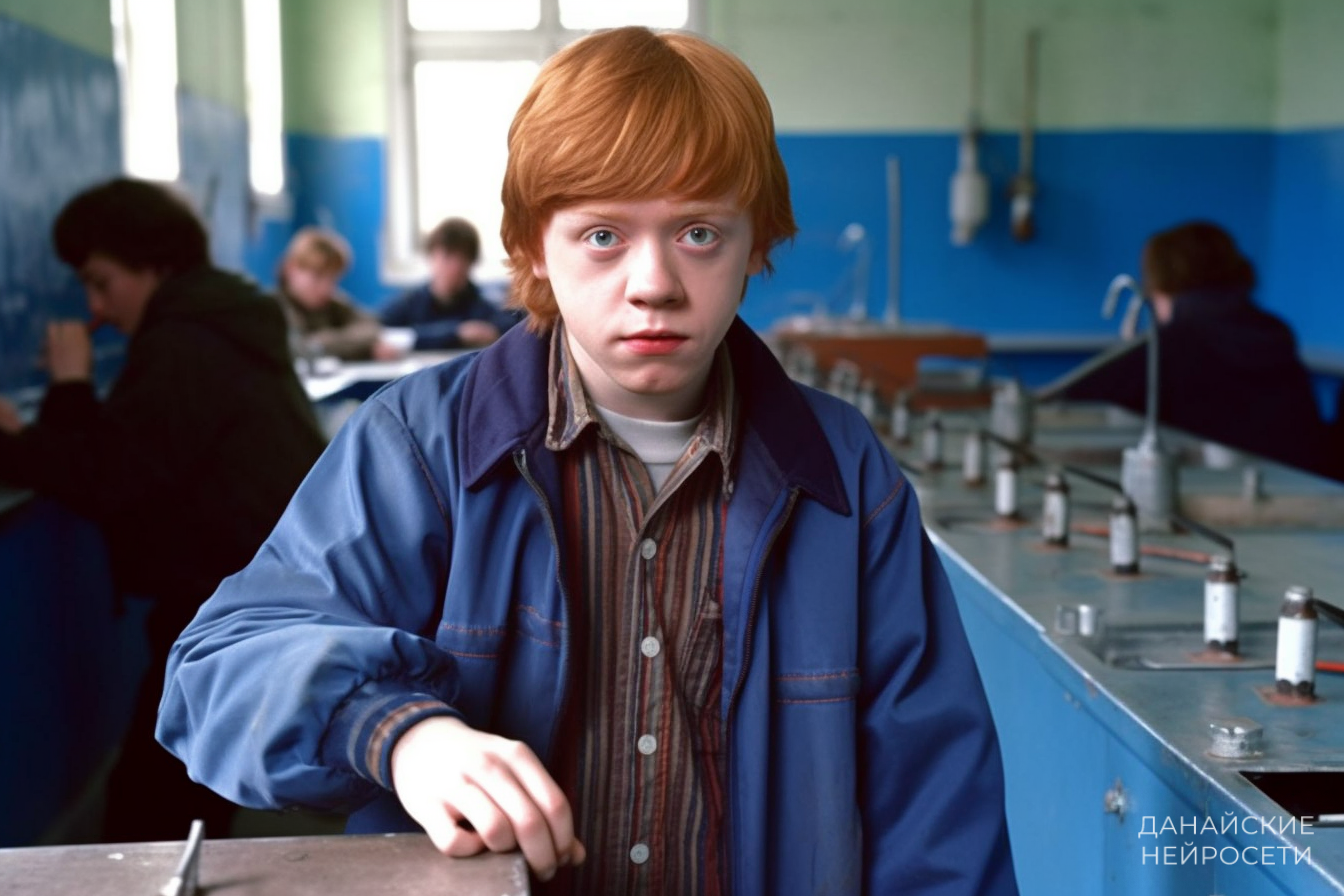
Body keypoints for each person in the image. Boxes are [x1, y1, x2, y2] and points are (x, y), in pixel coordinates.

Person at [158, 27, 1017, 895]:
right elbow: (220, 668)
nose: (654, 283)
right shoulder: (421, 445)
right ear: (534, 245)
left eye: (699, 233)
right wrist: (403, 736)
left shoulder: (845, 477)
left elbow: (938, 812)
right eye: (602, 234)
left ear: (757, 242)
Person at [0, 178, 328, 842]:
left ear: (153, 264)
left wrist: (63, 394)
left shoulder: (186, 343)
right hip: (260, 593)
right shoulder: (221, 321)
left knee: (149, 812)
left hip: (234, 607)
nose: (95, 308)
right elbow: (133, 454)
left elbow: (109, 476)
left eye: (102, 283)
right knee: (178, 795)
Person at [1043, 221, 1331, 476]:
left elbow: (1061, 405)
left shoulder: (1166, 349)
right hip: (1308, 496)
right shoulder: (1275, 336)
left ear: (1160, 286)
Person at [378, 217, 521, 350]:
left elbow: (509, 329)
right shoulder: (410, 304)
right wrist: (457, 333)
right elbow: (377, 331)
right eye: (447, 256)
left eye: (462, 258)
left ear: (472, 263)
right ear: (431, 256)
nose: (454, 267)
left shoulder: (483, 307)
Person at [277, 226, 387, 362]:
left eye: (333, 279)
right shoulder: (274, 308)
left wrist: (321, 342)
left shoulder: (332, 303)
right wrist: (360, 347)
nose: (325, 288)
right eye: (318, 276)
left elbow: (370, 326)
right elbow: (299, 349)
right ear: (291, 269)